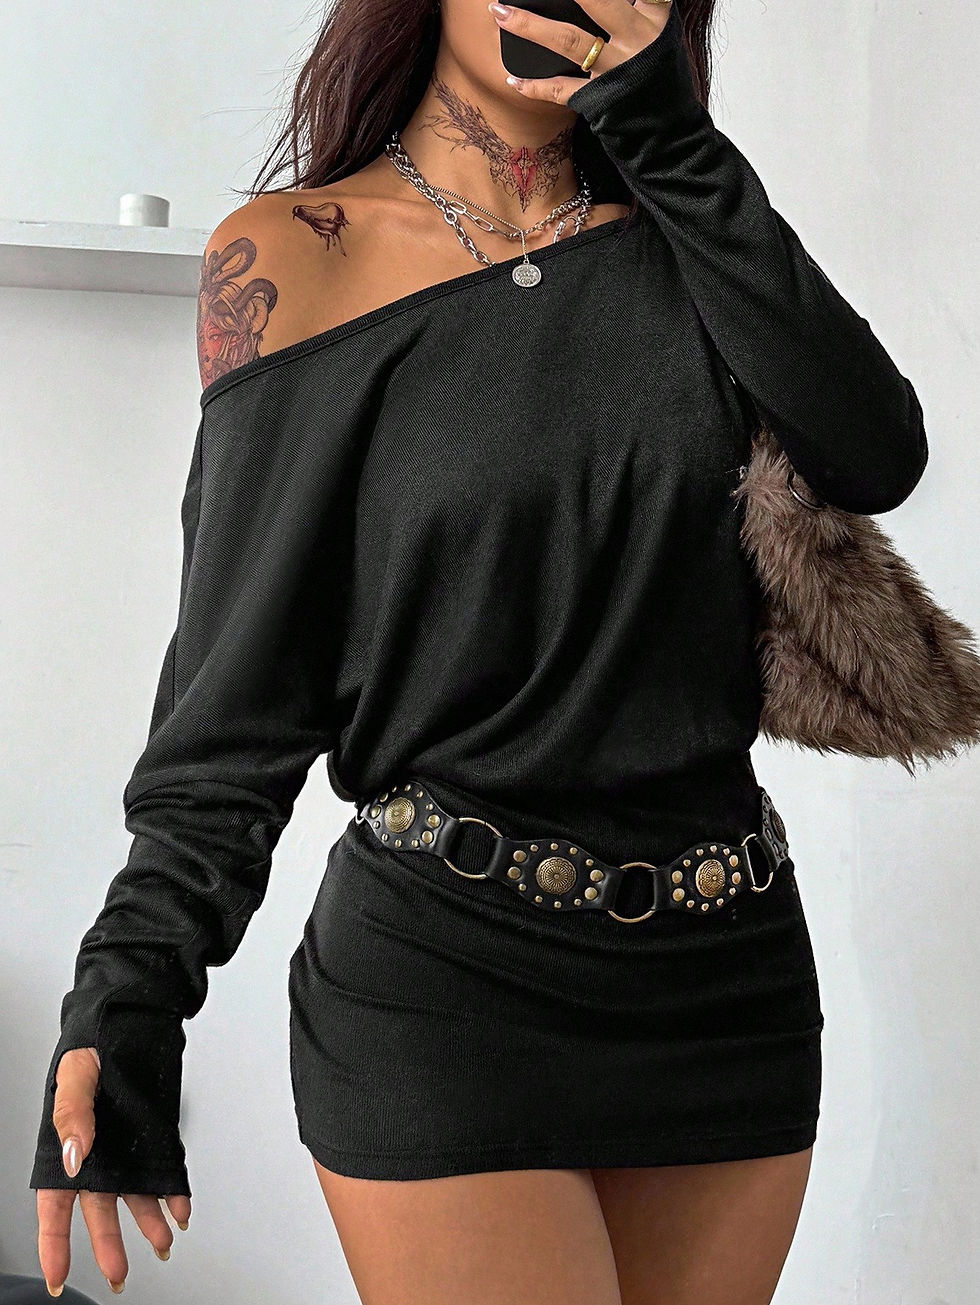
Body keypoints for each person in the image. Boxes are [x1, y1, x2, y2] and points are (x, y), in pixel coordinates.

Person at [30, 0, 929, 1300]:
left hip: (725, 981)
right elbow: (239, 695)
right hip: (444, 982)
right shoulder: (297, 259)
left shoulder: (697, 239)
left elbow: (875, 450)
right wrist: (128, 995)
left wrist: (673, 142)